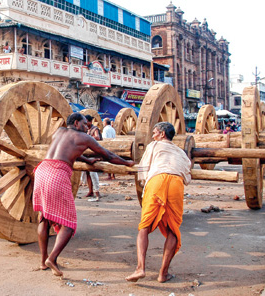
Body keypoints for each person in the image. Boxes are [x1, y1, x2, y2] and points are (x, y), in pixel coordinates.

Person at [33, 112, 134, 277]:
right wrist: (126, 162)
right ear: (77, 123)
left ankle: (43, 260)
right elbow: (108, 155)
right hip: (57, 174)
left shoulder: (59, 132)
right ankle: (52, 258)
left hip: (42, 170)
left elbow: (68, 150)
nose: (87, 128)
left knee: (44, 218)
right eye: (85, 125)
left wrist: (87, 161)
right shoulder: (85, 138)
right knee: (69, 223)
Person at [125, 122, 191, 283]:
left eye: (155, 132)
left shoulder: (154, 145)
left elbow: (143, 167)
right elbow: (187, 174)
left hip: (157, 181)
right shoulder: (181, 152)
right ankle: (163, 274)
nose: (153, 135)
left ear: (162, 134)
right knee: (173, 230)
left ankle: (140, 268)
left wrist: (143, 183)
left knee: (144, 226)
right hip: (176, 182)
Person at [83, 115, 103, 202]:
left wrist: (87, 138)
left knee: (93, 173)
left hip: (94, 153)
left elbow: (97, 137)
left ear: (90, 122)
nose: (85, 123)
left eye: (86, 121)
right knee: (87, 172)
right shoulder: (86, 129)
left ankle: (97, 191)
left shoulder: (95, 129)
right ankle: (90, 191)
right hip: (87, 154)